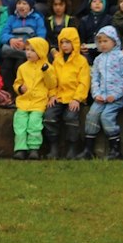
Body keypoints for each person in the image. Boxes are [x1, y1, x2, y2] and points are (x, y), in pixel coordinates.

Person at [81, 25, 123, 160]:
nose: (102, 45)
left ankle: (115, 150)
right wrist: (96, 94)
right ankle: (88, 149)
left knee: (106, 117)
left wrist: (115, 95)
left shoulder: (122, 58)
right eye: (100, 42)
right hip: (101, 96)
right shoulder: (98, 59)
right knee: (91, 115)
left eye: (105, 41)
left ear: (114, 41)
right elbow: (95, 78)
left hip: (116, 97)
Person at [45, 26, 90, 160]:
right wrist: (52, 95)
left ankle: (72, 147)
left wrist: (77, 98)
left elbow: (84, 82)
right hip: (59, 96)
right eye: (62, 42)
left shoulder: (81, 61)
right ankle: (53, 147)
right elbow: (52, 80)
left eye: (68, 42)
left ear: (75, 43)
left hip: (73, 97)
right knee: (49, 116)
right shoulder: (57, 60)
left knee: (71, 118)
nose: (64, 46)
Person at [8, 36, 53, 161]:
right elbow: (17, 83)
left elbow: (51, 84)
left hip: (39, 102)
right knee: (20, 123)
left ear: (41, 51)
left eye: (33, 50)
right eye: (27, 49)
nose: (28, 53)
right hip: (24, 101)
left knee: (34, 123)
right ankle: (20, 148)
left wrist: (47, 72)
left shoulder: (48, 67)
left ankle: (34, 148)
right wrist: (19, 88)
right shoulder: (22, 67)